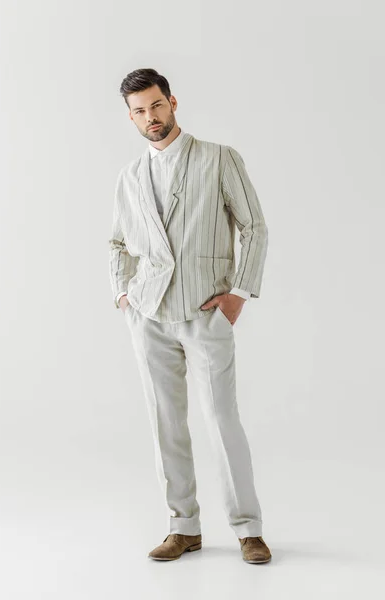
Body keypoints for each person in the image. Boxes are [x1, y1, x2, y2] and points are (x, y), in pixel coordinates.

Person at [109, 68, 271, 564]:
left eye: (156, 106)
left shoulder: (219, 159)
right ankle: (183, 527)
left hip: (206, 311)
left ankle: (248, 529)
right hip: (150, 313)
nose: (150, 118)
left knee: (222, 418)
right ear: (131, 117)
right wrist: (124, 294)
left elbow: (255, 227)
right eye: (139, 111)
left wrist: (238, 294)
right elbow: (117, 242)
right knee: (165, 423)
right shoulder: (130, 176)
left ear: (172, 102)